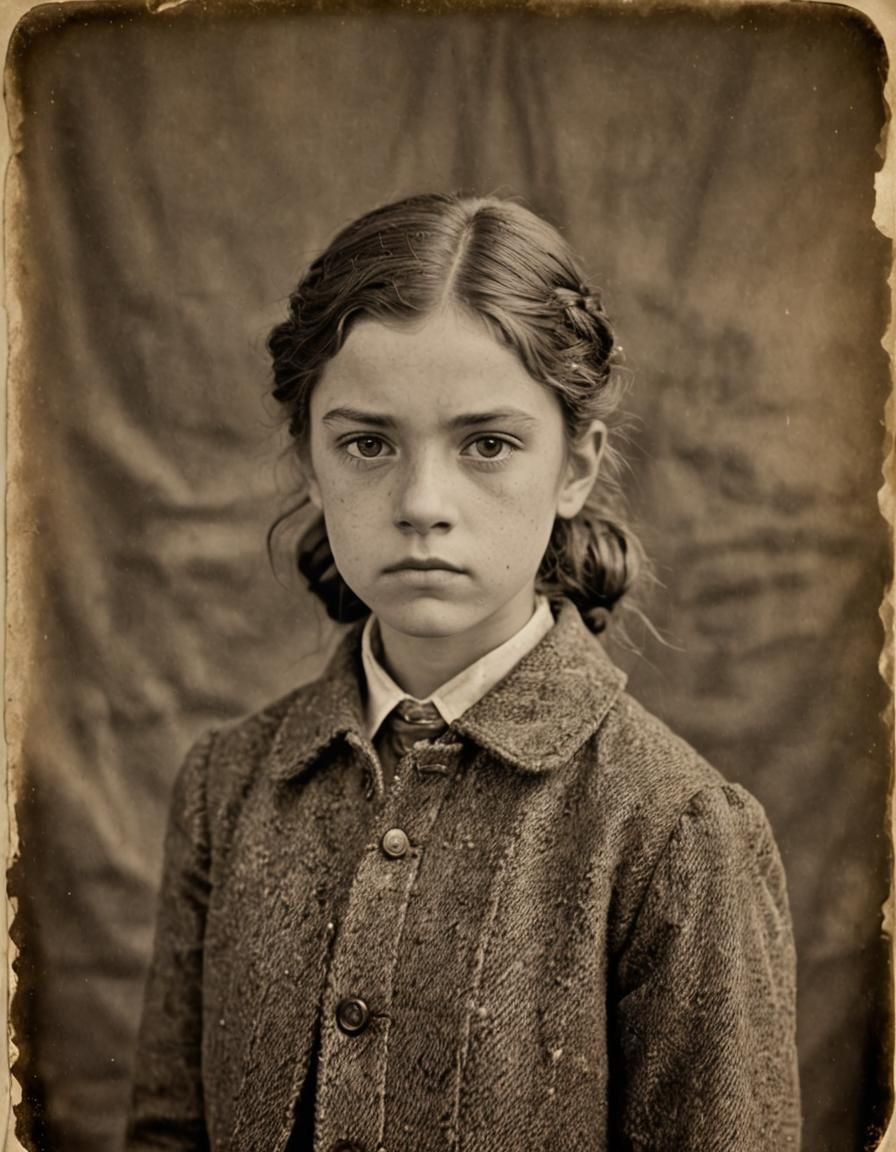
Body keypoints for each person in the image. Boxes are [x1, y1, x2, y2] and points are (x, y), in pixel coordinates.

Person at [125, 192, 801, 1152]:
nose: (422, 503)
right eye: (369, 444)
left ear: (575, 466)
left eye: (487, 444)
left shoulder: (673, 833)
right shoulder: (228, 790)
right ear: (309, 463)